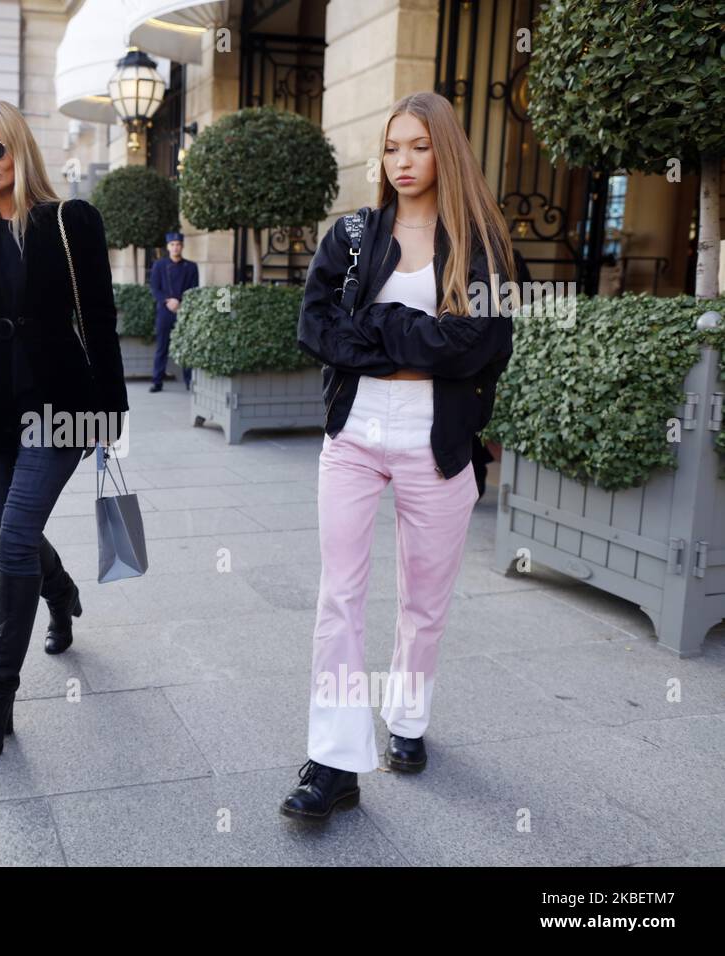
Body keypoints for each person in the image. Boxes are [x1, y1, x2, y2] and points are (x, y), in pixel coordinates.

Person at [286, 91, 528, 820]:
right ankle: (334, 760)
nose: (403, 161)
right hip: (354, 436)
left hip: (440, 445)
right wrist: (410, 336)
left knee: (424, 603)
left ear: (443, 150)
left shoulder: (481, 241)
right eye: (392, 147)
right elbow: (315, 326)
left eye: (418, 146)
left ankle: (409, 722)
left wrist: (380, 328)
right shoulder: (357, 234)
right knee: (340, 595)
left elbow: (478, 344)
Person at [0, 98, 128, 769]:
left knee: (11, 537)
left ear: (19, 150)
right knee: (22, 531)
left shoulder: (70, 220)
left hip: (61, 399)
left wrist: (113, 416)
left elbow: (98, 319)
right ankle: (60, 591)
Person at [147, 230, 198, 391]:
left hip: (183, 311)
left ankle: (189, 381)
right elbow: (154, 288)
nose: (175, 247)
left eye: (178, 245)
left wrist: (180, 302)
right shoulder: (159, 265)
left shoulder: (191, 266)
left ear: (182, 247)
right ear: (168, 247)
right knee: (162, 347)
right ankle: (157, 381)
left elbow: (194, 288)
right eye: (172, 245)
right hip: (164, 310)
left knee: (186, 346)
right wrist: (167, 300)